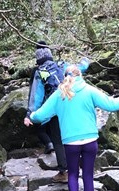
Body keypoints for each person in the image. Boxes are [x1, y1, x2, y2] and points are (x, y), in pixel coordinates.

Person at [30, 64, 119, 191]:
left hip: (70, 142)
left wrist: (31, 115)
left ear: (65, 76)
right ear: (80, 75)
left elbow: (40, 115)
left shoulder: (59, 94)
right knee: (88, 177)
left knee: (72, 174)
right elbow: (112, 105)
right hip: (90, 140)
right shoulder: (89, 90)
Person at [24, 41, 89, 183]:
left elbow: (36, 96)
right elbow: (81, 68)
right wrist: (86, 59)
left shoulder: (40, 72)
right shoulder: (63, 65)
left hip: (55, 110)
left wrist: (30, 114)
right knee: (73, 136)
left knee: (58, 141)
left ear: (38, 59)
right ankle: (81, 164)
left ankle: (64, 172)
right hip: (71, 105)